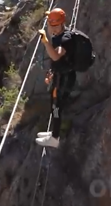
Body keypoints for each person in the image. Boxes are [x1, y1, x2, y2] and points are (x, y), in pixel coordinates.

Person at [35, 8, 76, 148]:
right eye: (50, 24)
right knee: (53, 105)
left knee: (56, 106)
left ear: (60, 24)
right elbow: (58, 60)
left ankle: (55, 138)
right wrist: (49, 19)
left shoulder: (65, 39)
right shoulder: (60, 32)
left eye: (53, 25)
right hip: (60, 75)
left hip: (64, 78)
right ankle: (54, 132)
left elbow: (56, 56)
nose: (51, 28)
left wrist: (45, 42)